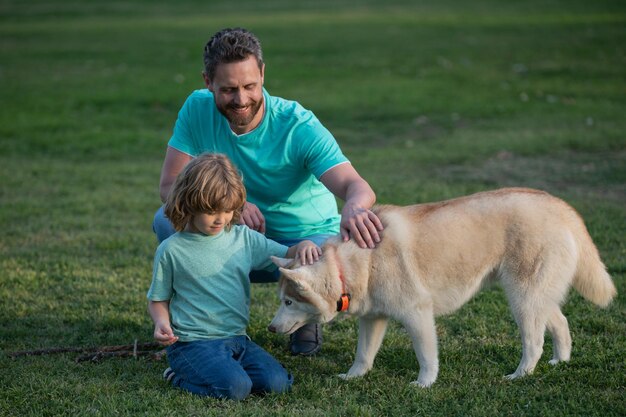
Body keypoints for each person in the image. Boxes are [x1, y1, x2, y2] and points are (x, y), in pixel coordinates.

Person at [153, 27, 383, 356]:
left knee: (319, 252)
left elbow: (354, 185)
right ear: (208, 82)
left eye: (250, 86)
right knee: (166, 220)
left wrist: (355, 207)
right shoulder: (196, 108)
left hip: (302, 244)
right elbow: (168, 186)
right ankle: (200, 316)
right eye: (229, 90)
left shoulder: (297, 125)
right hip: (235, 234)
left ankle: (305, 315)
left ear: (262, 73)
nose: (241, 99)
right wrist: (232, 207)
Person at [147, 153, 321, 400]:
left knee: (277, 383)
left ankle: (228, 370)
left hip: (237, 340)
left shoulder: (243, 239)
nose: (221, 219)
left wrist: (302, 245)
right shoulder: (172, 250)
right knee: (235, 388)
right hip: (192, 344)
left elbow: (287, 254)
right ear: (188, 203)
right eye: (211, 212)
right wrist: (161, 323)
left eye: (228, 210)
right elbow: (158, 299)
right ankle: (177, 376)